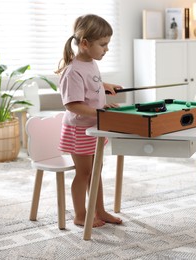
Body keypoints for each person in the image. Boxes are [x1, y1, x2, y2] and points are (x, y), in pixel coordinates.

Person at [56, 14, 122, 227]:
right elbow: (72, 105)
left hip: (93, 129)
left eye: (107, 44)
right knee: (83, 173)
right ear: (85, 44)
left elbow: (91, 84)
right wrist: (100, 112)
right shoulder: (72, 71)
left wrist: (105, 85)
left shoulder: (91, 63)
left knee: (96, 172)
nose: (106, 49)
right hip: (79, 131)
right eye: (103, 44)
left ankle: (99, 210)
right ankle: (80, 215)